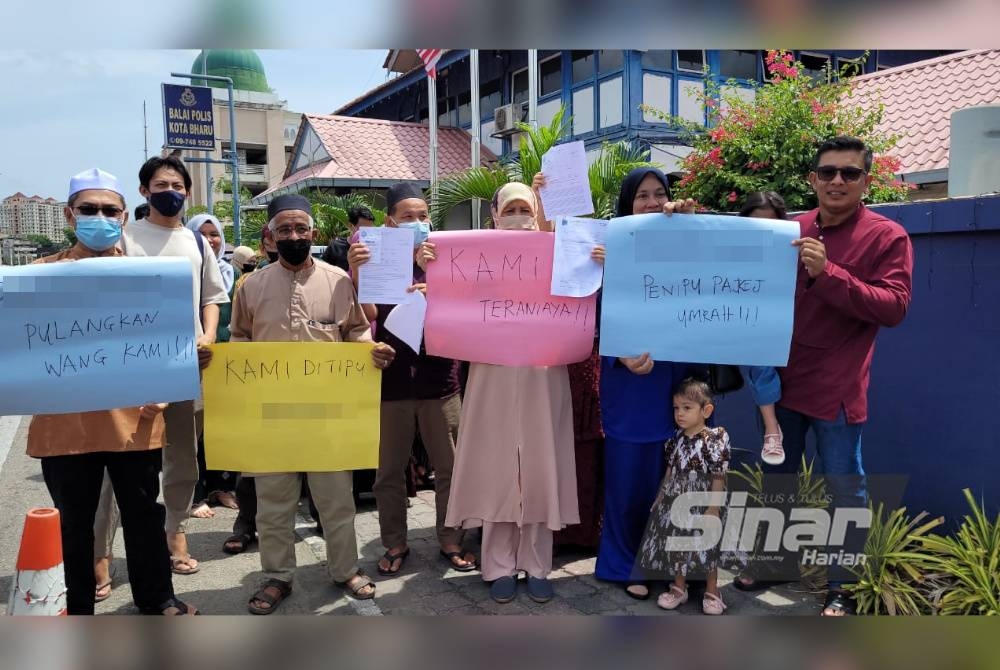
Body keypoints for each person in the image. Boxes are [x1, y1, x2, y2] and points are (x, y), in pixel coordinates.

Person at [27, 168, 197, 615]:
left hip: (135, 420)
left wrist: (172, 381)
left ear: (123, 217)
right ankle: (78, 609)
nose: (99, 218)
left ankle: (157, 599)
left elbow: (169, 344)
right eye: (89, 210)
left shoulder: (150, 277)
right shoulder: (38, 278)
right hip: (67, 428)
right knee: (76, 525)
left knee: (144, 516)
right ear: (69, 215)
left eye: (108, 210)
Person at [226, 193, 396, 614]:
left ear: (313, 233)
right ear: (270, 236)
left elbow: (355, 330)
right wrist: (219, 358)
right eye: (284, 229)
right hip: (272, 416)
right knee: (273, 504)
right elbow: (240, 342)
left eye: (301, 228)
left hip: (327, 416)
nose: (294, 235)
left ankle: (345, 570)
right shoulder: (252, 286)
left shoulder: (339, 280)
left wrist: (370, 348)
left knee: (336, 500)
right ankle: (278, 576)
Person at [767, 136, 914, 616]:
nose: (837, 181)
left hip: (838, 389)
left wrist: (830, 273)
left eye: (849, 173)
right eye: (828, 172)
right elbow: (728, 256)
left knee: (844, 490)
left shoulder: (887, 236)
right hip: (781, 384)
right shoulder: (787, 228)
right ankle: (775, 564)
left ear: (866, 181)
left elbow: (894, 307)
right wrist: (683, 218)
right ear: (812, 178)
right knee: (778, 479)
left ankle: (841, 588)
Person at [421, 182, 578, 605]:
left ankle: (538, 564)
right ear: (493, 215)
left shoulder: (559, 254)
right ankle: (498, 565)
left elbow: (582, 293)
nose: (517, 216)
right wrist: (430, 266)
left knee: (540, 465)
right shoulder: (475, 257)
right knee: (497, 466)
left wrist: (594, 260)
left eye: (524, 208)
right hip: (491, 372)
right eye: (510, 209)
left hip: (543, 373)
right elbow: (451, 304)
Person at [347, 183, 475, 576]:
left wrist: (435, 282)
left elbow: (468, 309)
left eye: (423, 216)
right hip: (392, 383)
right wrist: (356, 271)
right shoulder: (374, 261)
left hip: (441, 380)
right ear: (389, 222)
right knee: (389, 472)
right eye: (407, 217)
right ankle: (395, 542)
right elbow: (365, 314)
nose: (418, 223)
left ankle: (450, 538)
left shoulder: (447, 260)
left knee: (450, 468)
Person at [593, 167, 705, 601]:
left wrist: (693, 224)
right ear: (627, 203)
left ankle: (674, 565)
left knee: (677, 477)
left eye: (660, 194)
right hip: (632, 378)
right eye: (642, 195)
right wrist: (618, 350)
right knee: (630, 479)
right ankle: (627, 564)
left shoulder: (683, 240)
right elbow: (588, 311)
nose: (653, 202)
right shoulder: (607, 248)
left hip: (677, 376)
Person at [119, 156, 229, 576]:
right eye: (162, 184)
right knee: (124, 461)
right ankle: (101, 549)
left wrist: (207, 335)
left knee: (183, 456)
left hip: (183, 367)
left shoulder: (196, 242)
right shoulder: (125, 238)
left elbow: (211, 299)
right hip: (129, 369)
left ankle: (175, 531)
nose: (172, 192)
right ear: (144, 190)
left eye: (179, 186)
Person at [637, 379, 744, 615]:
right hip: (677, 502)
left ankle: (713, 589)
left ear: (706, 410)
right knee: (678, 542)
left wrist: (714, 508)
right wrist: (660, 495)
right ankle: (679, 587)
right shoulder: (676, 439)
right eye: (676, 408)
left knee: (709, 545)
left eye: (687, 407)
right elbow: (670, 470)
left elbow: (718, 475)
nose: (680, 413)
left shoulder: (715, 438)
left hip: (705, 502)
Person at [184, 214, 239, 518]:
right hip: (198, 360)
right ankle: (196, 494)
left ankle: (223, 487)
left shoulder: (233, 273)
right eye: (202, 234)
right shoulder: (187, 272)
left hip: (230, 364)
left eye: (214, 233)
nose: (210, 240)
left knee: (224, 429)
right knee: (194, 431)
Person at [738, 192, 789, 467]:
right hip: (747, 325)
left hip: (785, 324)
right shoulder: (734, 251)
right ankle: (772, 429)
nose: (763, 231)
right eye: (755, 224)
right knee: (759, 360)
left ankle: (772, 430)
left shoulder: (791, 249)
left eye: (771, 224)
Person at [323, 205, 374, 272]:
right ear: (350, 226)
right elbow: (323, 271)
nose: (368, 234)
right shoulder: (335, 247)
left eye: (371, 230)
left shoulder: (374, 249)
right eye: (363, 230)